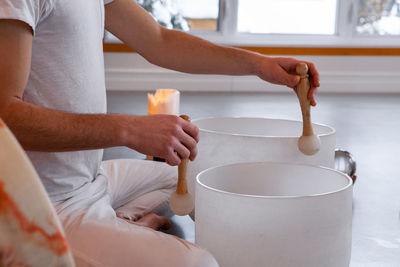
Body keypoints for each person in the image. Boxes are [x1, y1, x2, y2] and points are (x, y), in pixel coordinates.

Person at [0, 0, 320, 266]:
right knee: (199, 265)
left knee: (194, 180)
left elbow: (158, 40)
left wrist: (259, 64)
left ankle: (118, 224)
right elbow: (6, 115)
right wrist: (128, 129)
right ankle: (107, 230)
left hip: (89, 180)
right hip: (38, 208)